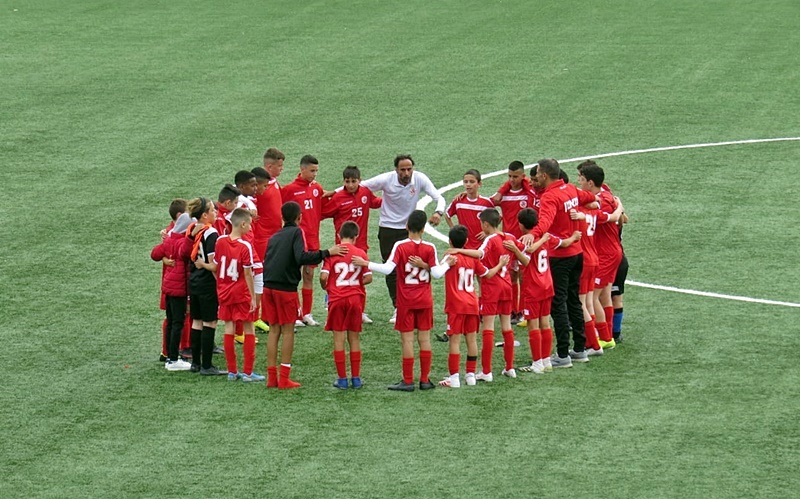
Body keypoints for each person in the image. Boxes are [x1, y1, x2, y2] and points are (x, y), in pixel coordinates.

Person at [352, 210, 449, 392]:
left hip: (406, 300)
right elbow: (436, 273)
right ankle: (425, 380)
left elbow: (388, 269)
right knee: (424, 339)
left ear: (406, 226)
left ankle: (408, 380)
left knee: (407, 340)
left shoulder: (400, 246)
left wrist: (367, 264)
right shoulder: (430, 247)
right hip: (424, 300)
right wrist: (447, 264)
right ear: (423, 229)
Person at [262, 201, 346, 389]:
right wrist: (327, 253)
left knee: (274, 331)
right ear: (299, 217)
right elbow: (300, 257)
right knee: (288, 331)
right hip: (285, 289)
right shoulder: (297, 232)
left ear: (282, 217)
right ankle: (284, 378)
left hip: (268, 287)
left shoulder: (275, 236)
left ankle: (271, 378)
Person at [521, 159, 596, 368]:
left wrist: (532, 234)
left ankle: (563, 354)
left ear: (544, 175)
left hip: (560, 256)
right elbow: (589, 197)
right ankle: (580, 349)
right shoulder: (570, 189)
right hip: (577, 253)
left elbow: (544, 223)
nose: (536, 177)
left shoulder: (550, 196)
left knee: (558, 304)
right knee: (574, 301)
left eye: (537, 173)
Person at [359, 155, 446, 323]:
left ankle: (412, 304)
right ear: (396, 170)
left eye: (409, 169)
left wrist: (438, 212)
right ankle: (398, 306)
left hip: (410, 230)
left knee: (410, 266)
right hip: (388, 229)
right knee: (391, 269)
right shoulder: (386, 179)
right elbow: (362, 186)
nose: (406, 173)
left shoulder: (419, 178)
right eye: (403, 170)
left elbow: (439, 197)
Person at [447, 208, 522, 381]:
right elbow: (525, 251)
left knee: (488, 327)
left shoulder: (490, 239)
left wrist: (459, 251)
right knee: (507, 326)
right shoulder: (510, 237)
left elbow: (479, 254)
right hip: (507, 286)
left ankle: (486, 371)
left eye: (481, 223)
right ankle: (509, 367)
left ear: (486, 224)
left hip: (492, 287)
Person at [503, 208, 580, 373]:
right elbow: (564, 243)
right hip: (547, 284)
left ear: (521, 225)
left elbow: (527, 256)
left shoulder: (526, 241)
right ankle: (546, 361)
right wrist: (574, 237)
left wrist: (515, 250)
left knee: (534, 325)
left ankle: (537, 363)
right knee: (545, 323)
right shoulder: (547, 236)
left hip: (533, 288)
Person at [437, 225, 507, 388]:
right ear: (467, 241)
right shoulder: (473, 259)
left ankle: (454, 378)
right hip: (472, 304)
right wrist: (500, 264)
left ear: (450, 241)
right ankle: (470, 376)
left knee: (455, 341)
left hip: (456, 305)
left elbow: (438, 271)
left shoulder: (450, 257)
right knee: (472, 340)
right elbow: (488, 274)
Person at [321, 165, 382, 324]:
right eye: (347, 181)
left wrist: (394, 196)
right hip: (341, 248)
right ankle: (332, 305)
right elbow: (323, 212)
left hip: (361, 247)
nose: (350, 185)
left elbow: (376, 202)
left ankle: (360, 311)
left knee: (360, 278)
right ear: (343, 182)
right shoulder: (338, 197)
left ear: (359, 181)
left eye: (353, 181)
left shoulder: (365, 193)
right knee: (339, 277)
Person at [320, 221, 373, 389]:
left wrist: (327, 288)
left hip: (337, 298)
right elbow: (369, 277)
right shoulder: (360, 253)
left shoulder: (332, 252)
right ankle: (356, 378)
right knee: (354, 338)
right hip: (355, 299)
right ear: (355, 237)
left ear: (339, 235)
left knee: (338, 338)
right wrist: (356, 285)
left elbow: (323, 277)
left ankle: (342, 379)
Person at [576, 161, 623, 351]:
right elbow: (621, 218)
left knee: (591, 298)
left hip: (604, 254)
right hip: (611, 251)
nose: (578, 182)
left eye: (581, 178)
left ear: (590, 182)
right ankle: (607, 333)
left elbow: (613, 217)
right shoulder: (607, 195)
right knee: (604, 295)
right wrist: (620, 208)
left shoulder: (600, 201)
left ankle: (603, 336)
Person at [214, 208, 264, 383]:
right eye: (249, 224)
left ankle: (232, 371)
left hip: (224, 292)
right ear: (242, 224)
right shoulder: (245, 246)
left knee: (229, 328)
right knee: (249, 328)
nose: (250, 227)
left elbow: (216, 266)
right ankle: (248, 372)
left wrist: (221, 284)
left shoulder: (220, 241)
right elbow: (248, 274)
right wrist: (252, 297)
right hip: (241, 293)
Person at [491, 161, 538, 326]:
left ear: (523, 176)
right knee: (511, 277)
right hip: (509, 242)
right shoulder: (503, 195)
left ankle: (523, 311)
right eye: (509, 176)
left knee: (525, 278)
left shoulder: (529, 192)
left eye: (516, 177)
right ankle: (513, 310)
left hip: (525, 242)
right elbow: (489, 204)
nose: (512, 180)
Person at [281, 155, 326, 327]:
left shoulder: (316, 188)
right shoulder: (289, 190)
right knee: (294, 276)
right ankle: (295, 314)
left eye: (316, 171)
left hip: (313, 240)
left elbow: (323, 203)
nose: (315, 174)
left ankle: (306, 313)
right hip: (296, 239)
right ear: (302, 169)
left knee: (309, 275)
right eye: (312, 170)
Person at [185, 197, 227, 375]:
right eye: (212, 210)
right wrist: (221, 282)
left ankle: (195, 363)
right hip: (207, 283)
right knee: (210, 322)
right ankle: (207, 365)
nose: (216, 212)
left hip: (194, 282)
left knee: (197, 321)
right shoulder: (211, 233)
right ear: (204, 215)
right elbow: (213, 264)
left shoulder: (192, 230)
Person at [150, 212, 193, 371]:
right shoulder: (182, 242)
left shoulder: (169, 239)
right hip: (179, 288)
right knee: (177, 323)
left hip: (168, 286)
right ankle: (174, 359)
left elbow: (155, 254)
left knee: (171, 321)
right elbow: (186, 252)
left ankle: (169, 355)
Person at [257, 148, 287, 329]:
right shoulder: (258, 185)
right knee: (262, 276)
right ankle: (260, 316)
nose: (282, 169)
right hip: (262, 237)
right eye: (279, 166)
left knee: (272, 274)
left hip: (275, 236)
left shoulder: (274, 182)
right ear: (269, 166)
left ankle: (268, 314)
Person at [444, 169, 494, 249]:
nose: (468, 184)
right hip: (464, 246)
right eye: (465, 182)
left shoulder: (486, 203)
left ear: (479, 184)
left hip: (481, 246)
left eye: (472, 182)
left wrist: (487, 232)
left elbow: (496, 219)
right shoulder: (458, 201)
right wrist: (455, 230)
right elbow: (447, 215)